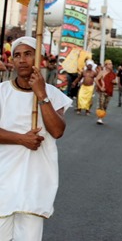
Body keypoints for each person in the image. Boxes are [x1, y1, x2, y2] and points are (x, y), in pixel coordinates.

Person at [0, 36, 72, 241]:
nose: (22, 60)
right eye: (17, 55)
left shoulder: (53, 94)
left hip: (35, 182)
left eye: (28, 54)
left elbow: (57, 131)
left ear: (38, 58)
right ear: (12, 61)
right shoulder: (2, 92)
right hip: (3, 181)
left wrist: (41, 95)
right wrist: (21, 139)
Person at [95, 59, 117, 125]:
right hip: (103, 91)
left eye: (111, 64)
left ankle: (101, 117)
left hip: (109, 91)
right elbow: (96, 80)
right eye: (110, 64)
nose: (111, 65)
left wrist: (115, 82)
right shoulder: (102, 72)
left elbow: (115, 82)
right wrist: (100, 87)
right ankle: (99, 118)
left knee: (105, 105)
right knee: (101, 103)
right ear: (106, 65)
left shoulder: (113, 73)